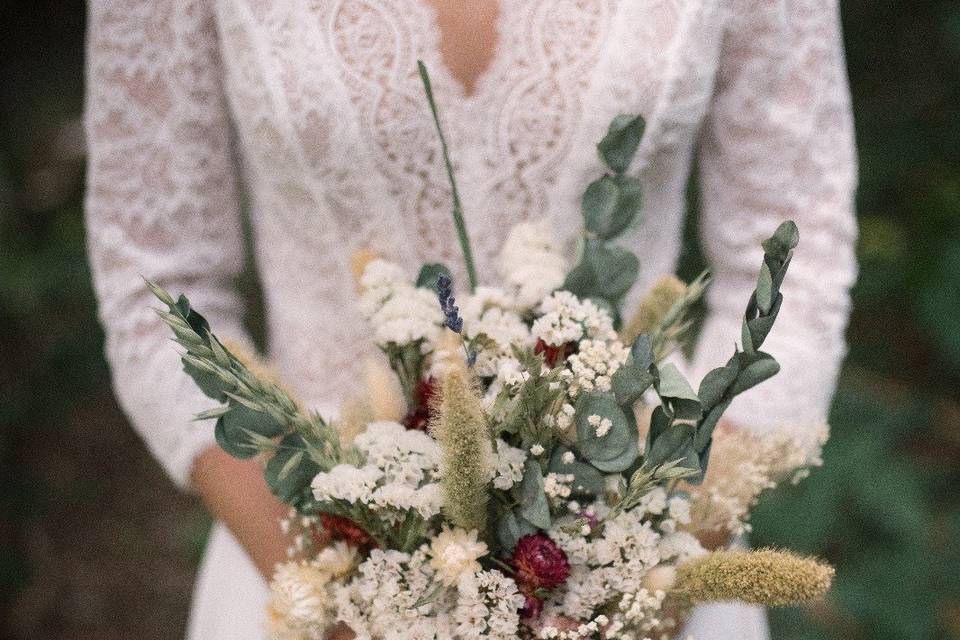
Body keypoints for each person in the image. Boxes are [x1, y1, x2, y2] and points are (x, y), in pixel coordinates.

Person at [83, 1, 857, 638]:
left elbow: (799, 251)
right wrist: (351, 603)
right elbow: (155, 278)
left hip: (652, 555)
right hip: (302, 557)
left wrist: (641, 581)